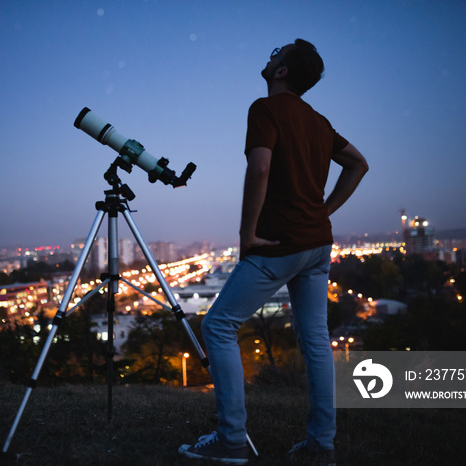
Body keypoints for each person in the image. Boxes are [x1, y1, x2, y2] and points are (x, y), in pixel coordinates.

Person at [178, 39, 368, 464]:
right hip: (318, 244)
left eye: (275, 52)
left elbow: (259, 166)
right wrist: (325, 210)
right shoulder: (318, 122)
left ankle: (230, 440)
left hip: (278, 243)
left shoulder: (265, 110)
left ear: (281, 71)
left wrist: (247, 233)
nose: (268, 56)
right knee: (316, 342)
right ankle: (322, 445)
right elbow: (359, 163)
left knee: (219, 326)